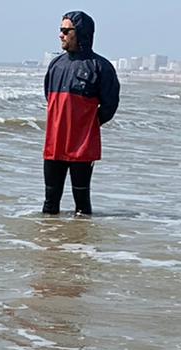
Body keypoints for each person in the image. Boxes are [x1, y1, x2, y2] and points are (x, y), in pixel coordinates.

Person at [42, 11, 119, 217]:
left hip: (82, 147)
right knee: (50, 203)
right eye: (60, 30)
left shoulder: (100, 67)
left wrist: (87, 124)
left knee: (82, 205)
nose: (61, 35)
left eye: (66, 30)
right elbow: (50, 98)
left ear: (81, 33)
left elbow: (110, 105)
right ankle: (49, 237)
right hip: (54, 144)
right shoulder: (56, 64)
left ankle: (82, 237)